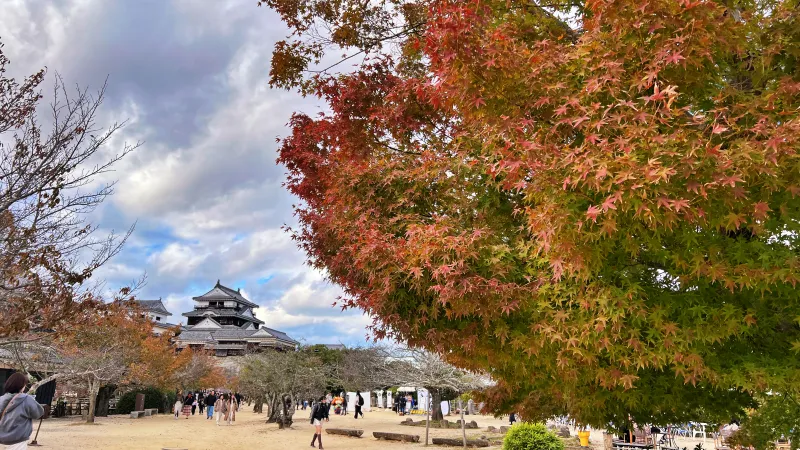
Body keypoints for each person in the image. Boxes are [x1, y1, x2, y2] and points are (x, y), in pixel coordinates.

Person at [0, 373, 44, 450]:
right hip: (17, 439)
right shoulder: (26, 399)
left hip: (1, 439)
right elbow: (38, 413)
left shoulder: (1, 399)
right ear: (22, 386)